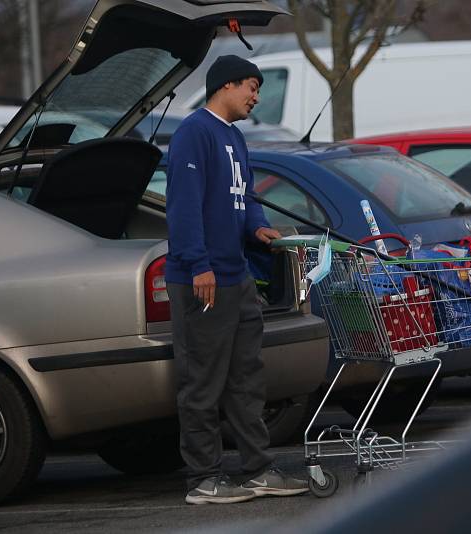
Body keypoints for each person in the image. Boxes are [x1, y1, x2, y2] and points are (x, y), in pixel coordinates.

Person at [165, 55, 308, 505]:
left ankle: (257, 469)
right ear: (225, 85)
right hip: (202, 278)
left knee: (247, 378)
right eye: (251, 86)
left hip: (237, 277)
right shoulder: (194, 133)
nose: (256, 96)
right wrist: (198, 264)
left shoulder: (234, 138)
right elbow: (183, 207)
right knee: (202, 382)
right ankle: (202, 479)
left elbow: (245, 197)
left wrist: (257, 227)